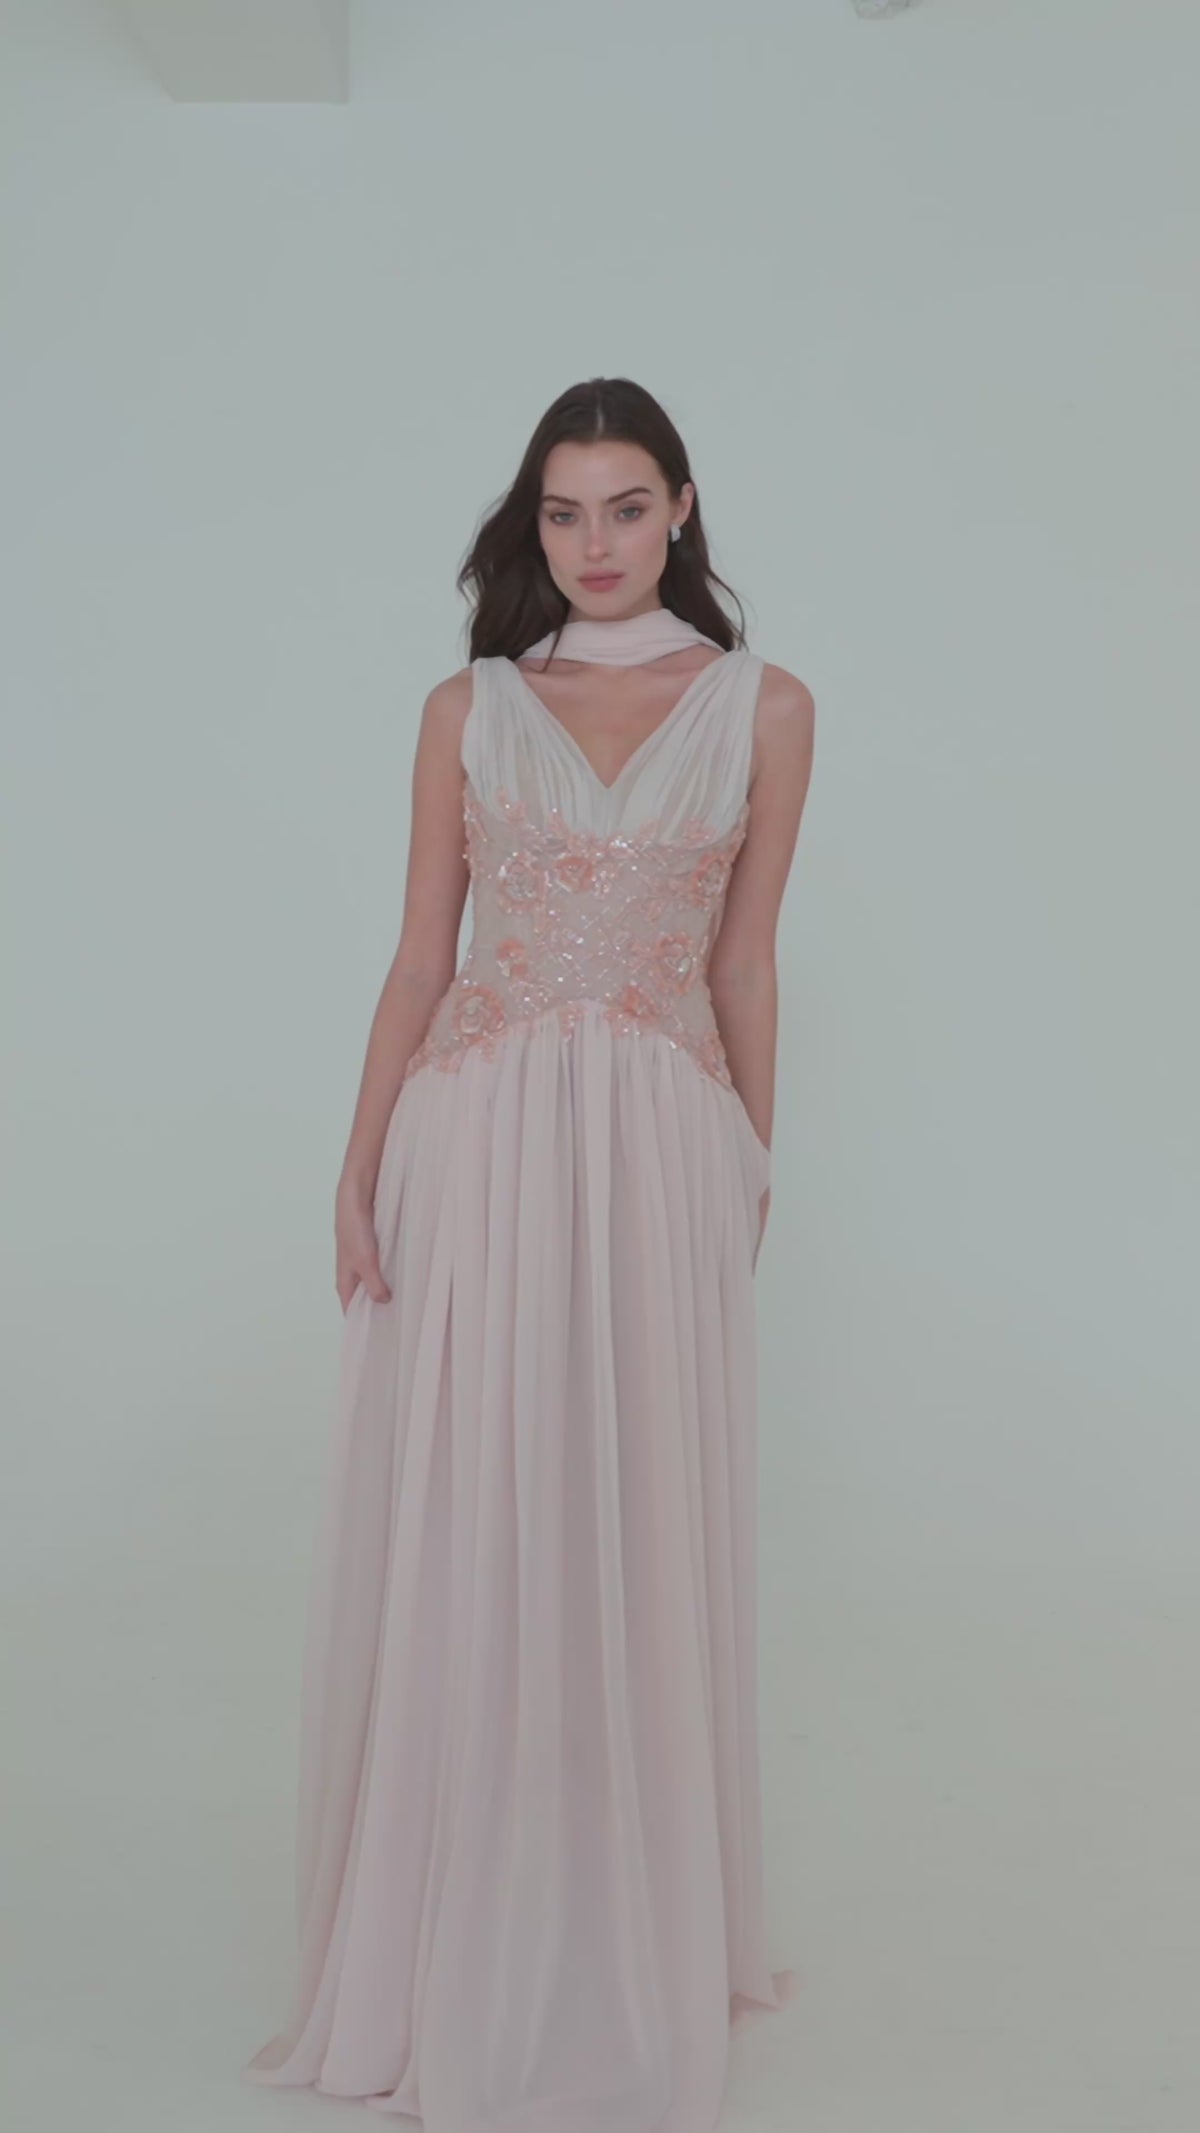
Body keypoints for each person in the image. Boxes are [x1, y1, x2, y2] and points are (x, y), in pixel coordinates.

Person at [242, 376, 816, 2133]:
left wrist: (753, 1155)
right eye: (564, 512)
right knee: (484, 1509)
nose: (595, 542)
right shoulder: (471, 708)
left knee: (631, 1507)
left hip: (662, 1143)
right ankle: (462, 1933)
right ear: (534, 523)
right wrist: (356, 1165)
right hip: (478, 1138)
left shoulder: (766, 705)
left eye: (627, 507)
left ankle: (623, 1933)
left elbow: (745, 957)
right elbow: (423, 953)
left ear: (683, 508)